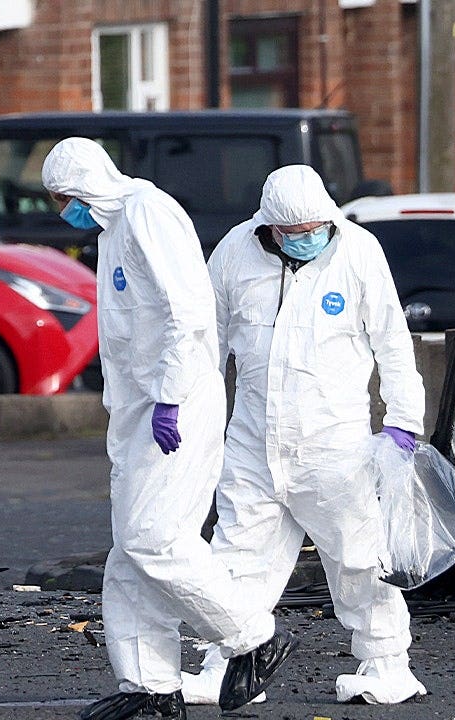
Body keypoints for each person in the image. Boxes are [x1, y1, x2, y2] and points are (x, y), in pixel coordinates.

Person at [41, 138, 299, 720]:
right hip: (140, 410)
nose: (63, 211)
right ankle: (150, 685)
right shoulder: (113, 229)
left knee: (156, 539)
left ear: (82, 186)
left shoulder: (147, 214)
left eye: (64, 199)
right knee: (129, 552)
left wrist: (170, 399)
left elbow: (188, 314)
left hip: (175, 406)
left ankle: (253, 636)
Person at [180, 164, 427, 706]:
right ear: (268, 226)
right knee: (236, 555)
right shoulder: (233, 253)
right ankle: (227, 665)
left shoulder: (358, 251)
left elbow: (392, 339)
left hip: (335, 446)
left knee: (359, 558)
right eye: (294, 233)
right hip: (252, 440)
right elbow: (205, 343)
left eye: (316, 227)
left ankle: (387, 665)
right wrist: (189, 412)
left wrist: (404, 422)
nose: (308, 239)